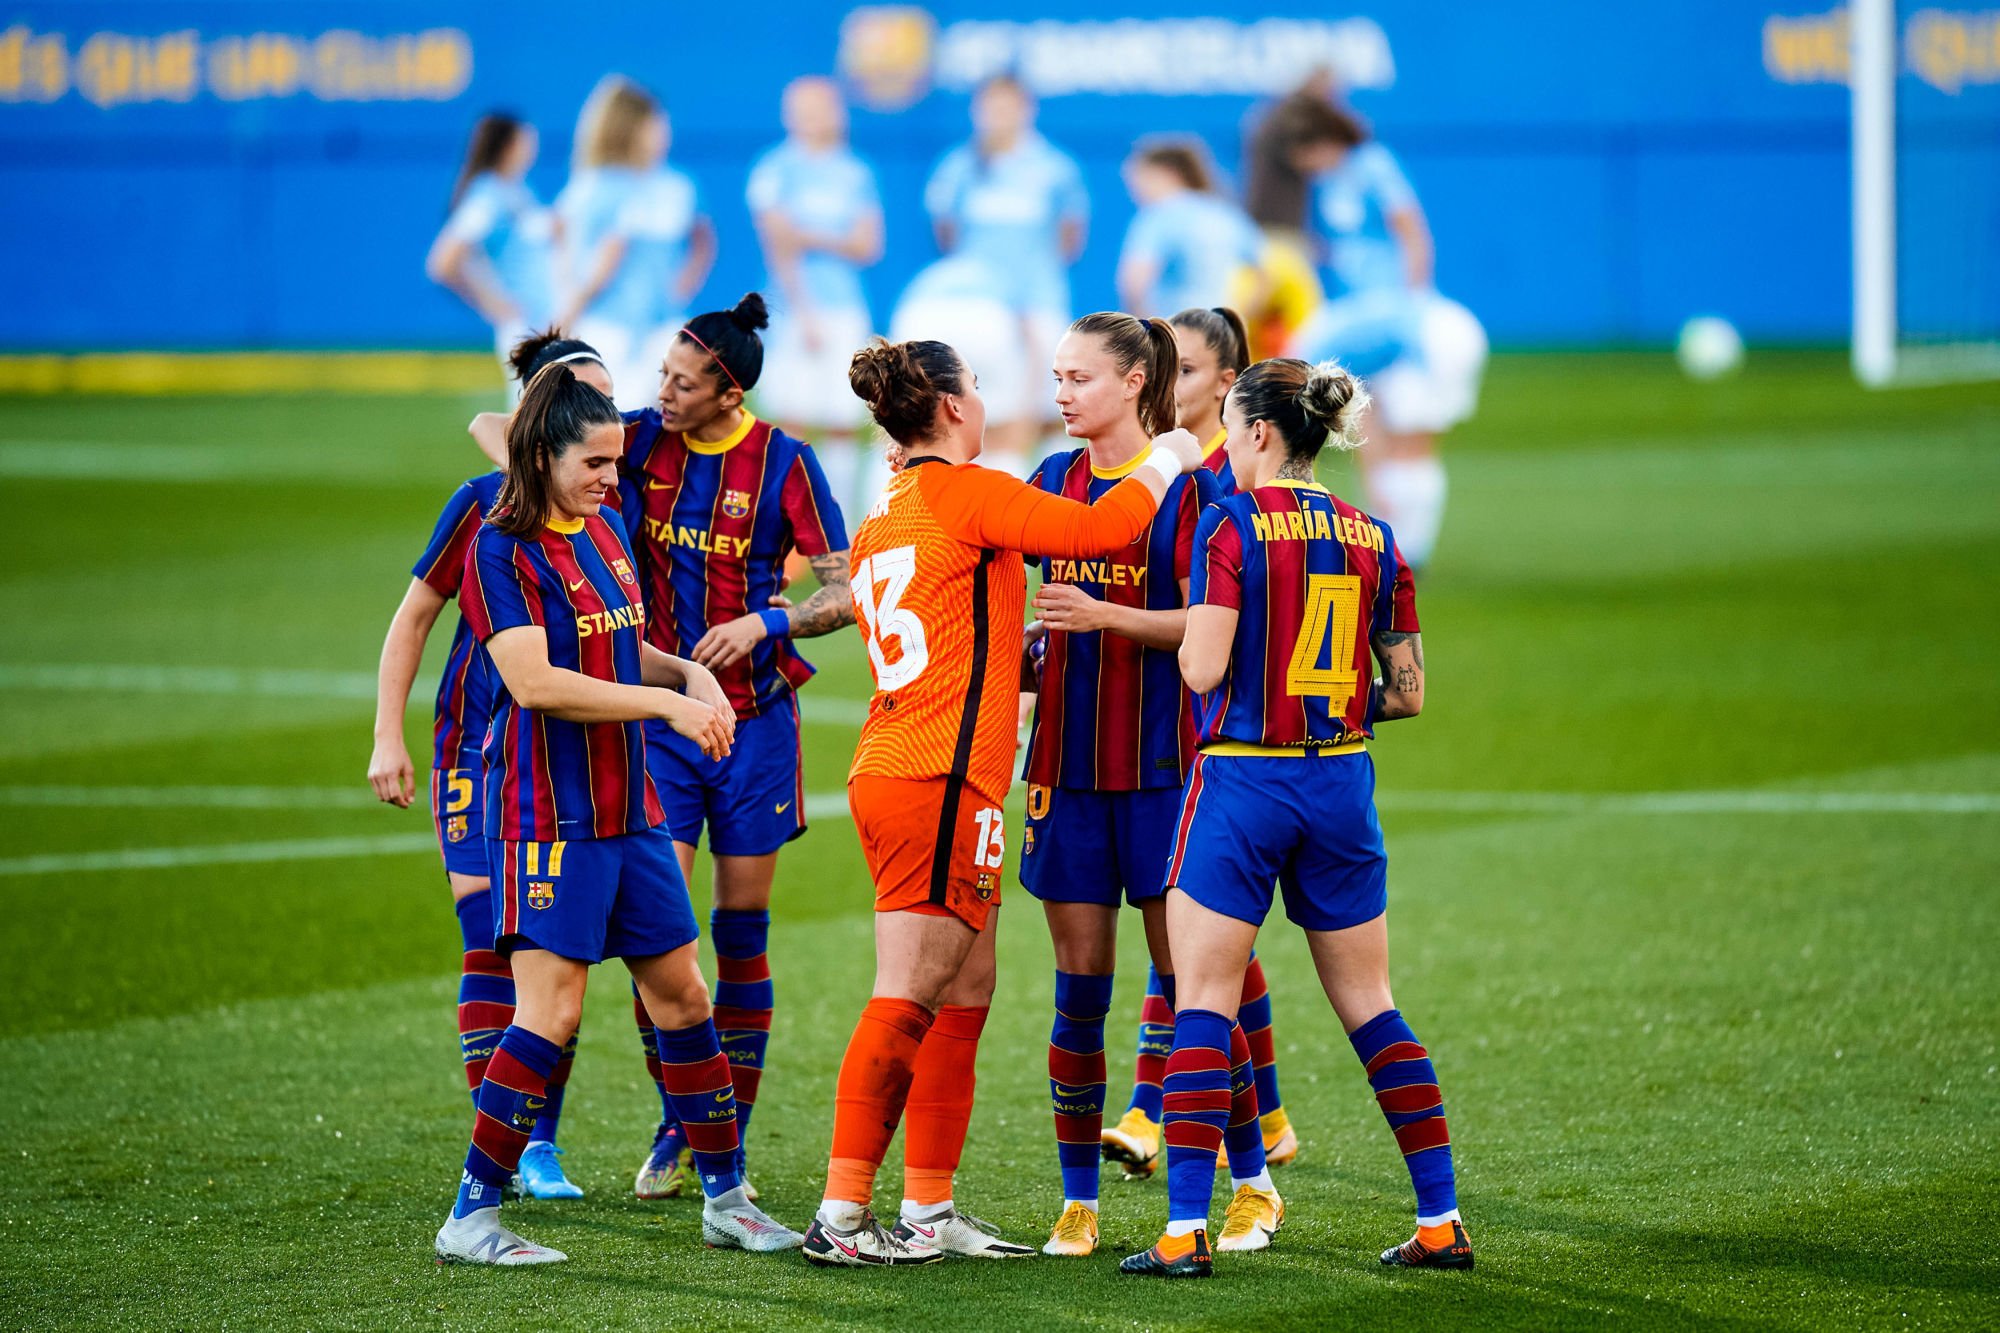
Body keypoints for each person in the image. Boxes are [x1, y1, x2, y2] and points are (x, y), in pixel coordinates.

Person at [801, 337, 1206, 1267]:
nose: (987, 401)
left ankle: (929, 1209)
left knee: (966, 990)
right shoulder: (965, 490)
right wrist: (1173, 454)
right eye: (977, 387)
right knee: (908, 993)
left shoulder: (890, 503)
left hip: (921, 768)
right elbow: (1102, 531)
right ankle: (842, 1214)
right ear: (950, 407)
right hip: (936, 776)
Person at [481, 293, 854, 1201]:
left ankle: (719, 1136)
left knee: (739, 931)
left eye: (684, 383)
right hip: (654, 723)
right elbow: (502, 428)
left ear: (730, 393)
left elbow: (846, 592)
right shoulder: (635, 442)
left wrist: (766, 622)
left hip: (754, 719)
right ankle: (676, 1126)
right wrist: (543, 456)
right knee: (662, 947)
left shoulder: (786, 463)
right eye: (662, 378)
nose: (664, 394)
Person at [432, 361, 800, 1265]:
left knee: (683, 994)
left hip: (628, 809)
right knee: (550, 1012)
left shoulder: (598, 529)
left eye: (615, 461)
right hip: (545, 818)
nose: (611, 477)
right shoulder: (500, 548)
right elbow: (536, 681)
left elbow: (619, 645)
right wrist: (668, 706)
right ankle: (471, 1216)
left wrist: (687, 670)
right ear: (542, 455)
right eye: (594, 462)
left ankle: (726, 1198)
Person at [1120, 358, 1469, 1278]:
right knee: (1373, 1004)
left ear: (1260, 432)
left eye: (1230, 430)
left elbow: (1201, 667)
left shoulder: (1231, 523)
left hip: (1245, 781)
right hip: (1341, 780)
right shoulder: (1375, 533)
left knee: (1203, 1000)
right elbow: (1408, 691)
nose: (1225, 447)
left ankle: (1184, 1230)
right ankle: (1441, 1217)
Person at [369, 332, 616, 1201]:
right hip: (477, 750)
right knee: (490, 936)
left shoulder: (603, 504)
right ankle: (507, 1147)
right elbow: (414, 617)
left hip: (569, 758)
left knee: (554, 953)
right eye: (580, 396)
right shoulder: (480, 506)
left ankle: (535, 1139)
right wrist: (387, 735)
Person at [1286, 99, 1479, 570]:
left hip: (1397, 320)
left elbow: (1410, 228)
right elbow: (1354, 246)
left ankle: (1412, 545)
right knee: (1368, 417)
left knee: (1408, 429)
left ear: (1321, 141)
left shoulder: (1372, 164)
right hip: (1364, 320)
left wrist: (1414, 299)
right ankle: (1386, 529)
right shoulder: (1329, 183)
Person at [920, 74, 1089, 471]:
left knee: (1051, 407)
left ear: (1026, 109)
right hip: (980, 308)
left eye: (1007, 107)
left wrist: (1032, 280)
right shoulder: (958, 167)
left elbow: (1071, 236)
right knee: (981, 404)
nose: (998, 116)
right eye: (990, 107)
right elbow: (945, 233)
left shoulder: (1054, 168)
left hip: (1040, 301)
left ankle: (1050, 494)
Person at [746, 76, 884, 520]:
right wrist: (803, 311)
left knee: (843, 417)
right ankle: (783, 521)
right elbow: (778, 244)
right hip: (793, 309)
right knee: (791, 417)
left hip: (844, 306)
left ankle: (836, 518)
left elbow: (868, 245)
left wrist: (808, 236)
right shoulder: (774, 169)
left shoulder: (855, 171)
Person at [555, 76, 715, 412]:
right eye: (655, 125)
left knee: (666, 421)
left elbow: (703, 238)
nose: (665, 133)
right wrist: (569, 312)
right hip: (608, 325)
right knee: (614, 422)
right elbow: (576, 258)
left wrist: (684, 283)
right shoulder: (595, 187)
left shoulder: (675, 186)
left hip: (662, 324)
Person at [425, 114, 558, 383]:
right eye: (526, 141)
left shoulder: (517, 191)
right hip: (525, 326)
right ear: (508, 146)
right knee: (534, 405)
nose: (533, 148)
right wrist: (495, 306)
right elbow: (443, 263)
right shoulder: (487, 197)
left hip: (542, 322)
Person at [1116, 141, 1263, 320]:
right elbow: (1264, 276)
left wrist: (1149, 328)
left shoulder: (1159, 216)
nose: (1134, 192)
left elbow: (1134, 283)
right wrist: (1238, 319)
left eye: (1139, 180)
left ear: (1166, 173)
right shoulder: (1227, 214)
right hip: (1220, 329)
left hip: (1175, 328)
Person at [1166, 306, 1253, 492]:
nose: (1167, 383)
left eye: (1185, 370)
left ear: (1224, 382)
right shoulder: (1143, 459)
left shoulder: (1245, 471)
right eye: (1163, 367)